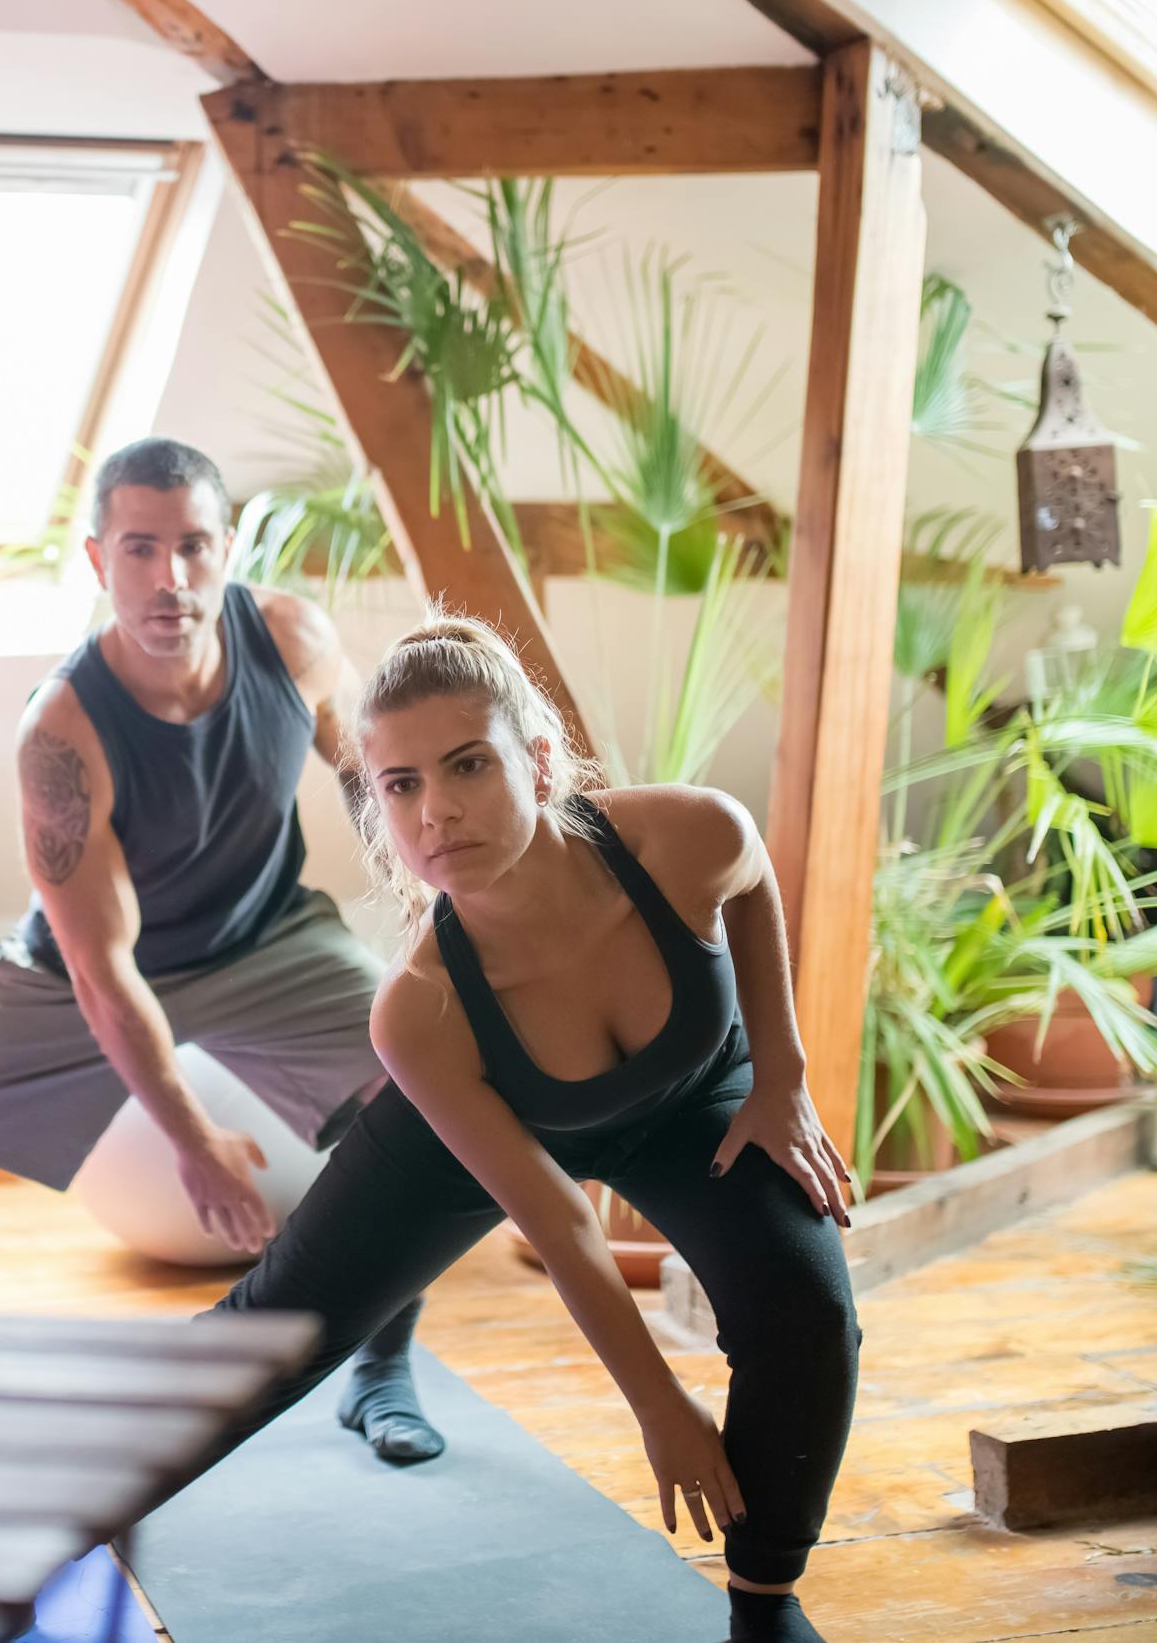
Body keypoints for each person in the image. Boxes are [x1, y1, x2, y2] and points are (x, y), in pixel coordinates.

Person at [0, 436, 444, 1463]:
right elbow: (104, 974)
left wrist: (422, 899)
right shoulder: (62, 731)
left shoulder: (291, 639)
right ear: (97, 557)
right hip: (87, 970)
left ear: (228, 544)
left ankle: (379, 1364)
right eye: (141, 549)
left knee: (418, 1086)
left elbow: (369, 767)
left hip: (263, 934)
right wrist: (195, 1137)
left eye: (194, 545)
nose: (171, 578)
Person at [194, 612, 862, 1643]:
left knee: (806, 1313)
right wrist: (657, 1404)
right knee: (268, 1337)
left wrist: (783, 1075)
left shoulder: (684, 835)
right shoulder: (419, 1009)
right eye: (401, 784)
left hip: (692, 1102)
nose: (435, 810)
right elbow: (561, 1223)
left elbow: (752, 879)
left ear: (539, 760)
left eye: (467, 765)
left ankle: (767, 1607)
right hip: (480, 1120)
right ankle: (47, 1500)